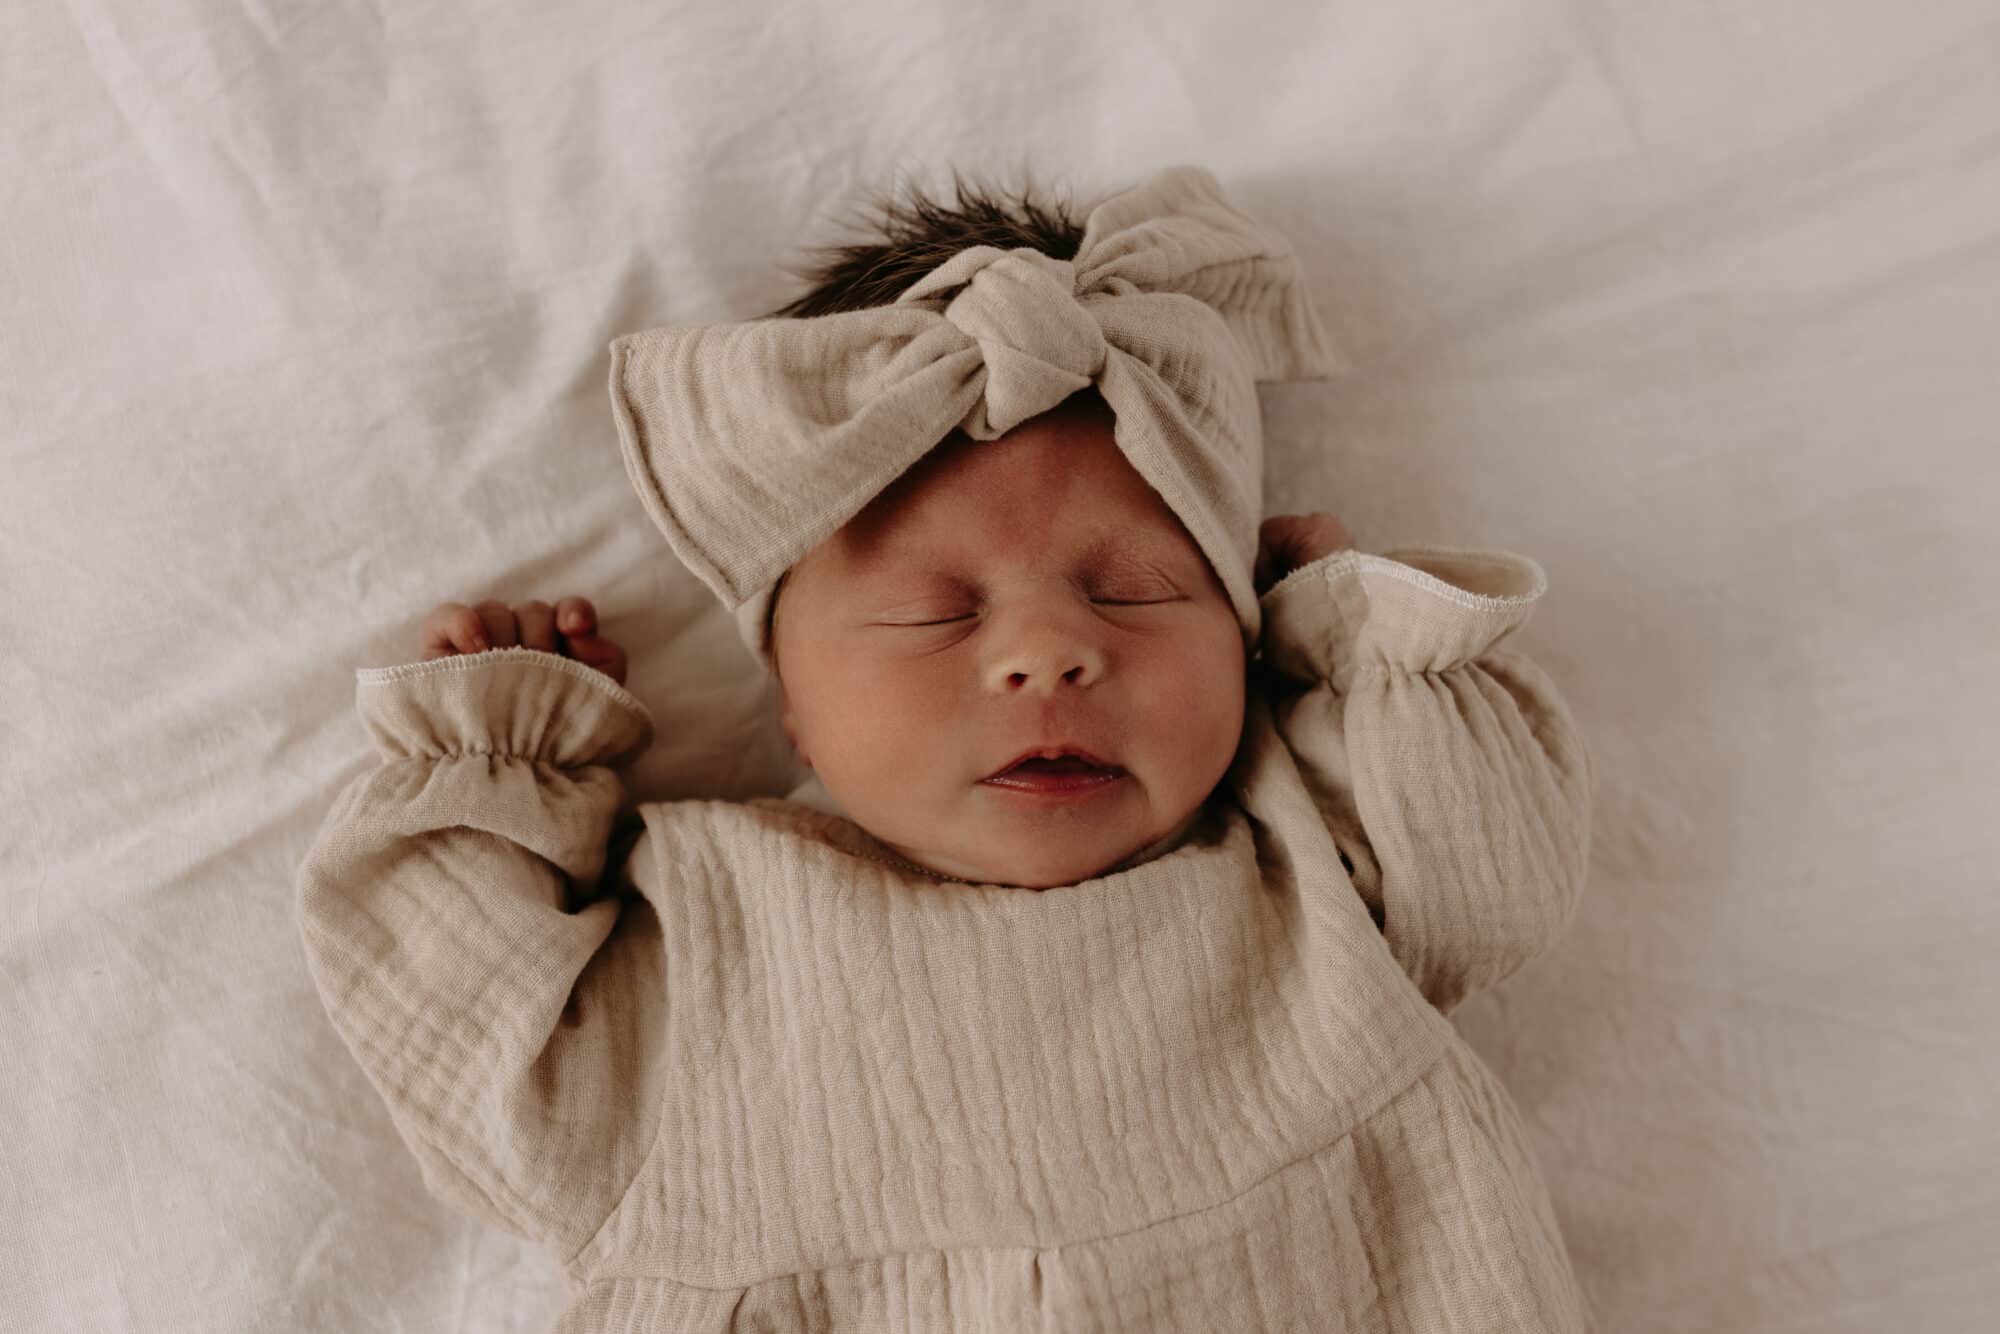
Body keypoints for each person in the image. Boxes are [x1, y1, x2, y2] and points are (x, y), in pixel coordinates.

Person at [297, 162, 1596, 1331]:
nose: (1048, 654)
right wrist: (503, 758)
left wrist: (1349, 637)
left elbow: (1493, 870)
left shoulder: (1305, 853)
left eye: (1136, 590)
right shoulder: (705, 933)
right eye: (936, 611)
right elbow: (461, 1040)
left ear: (1242, 633)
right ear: (791, 700)